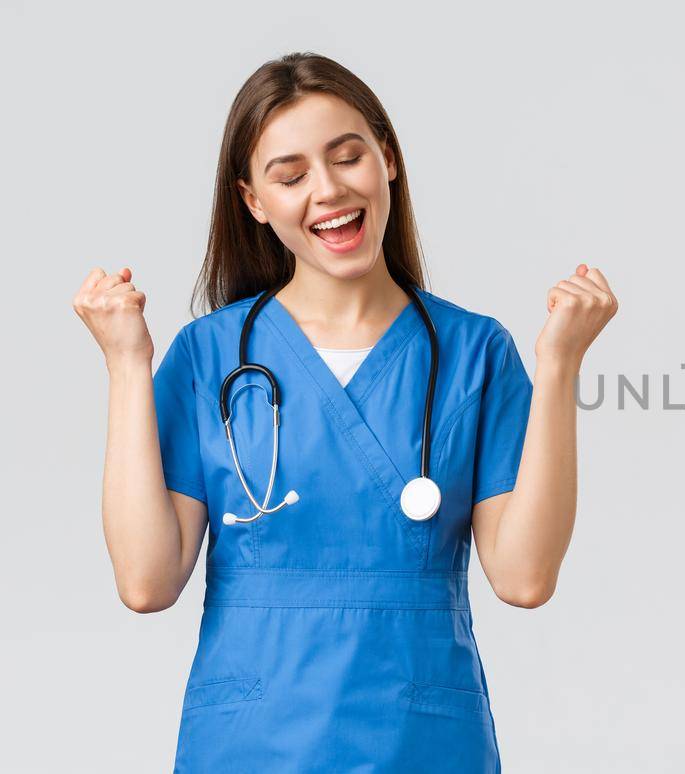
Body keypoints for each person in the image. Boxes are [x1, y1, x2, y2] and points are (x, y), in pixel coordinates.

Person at [70, 52, 617, 772]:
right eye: (290, 176)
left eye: (348, 157)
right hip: (251, 744)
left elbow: (523, 578)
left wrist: (560, 366)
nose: (327, 191)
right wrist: (124, 364)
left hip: (421, 741)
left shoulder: (474, 352)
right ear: (254, 202)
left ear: (387, 160)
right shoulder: (211, 356)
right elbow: (146, 580)